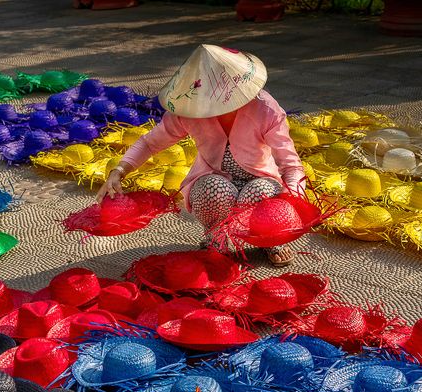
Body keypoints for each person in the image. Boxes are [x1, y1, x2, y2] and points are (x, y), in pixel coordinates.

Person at [96, 44, 306, 267]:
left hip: (259, 178)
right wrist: (119, 170)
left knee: (262, 192)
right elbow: (150, 143)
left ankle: (270, 239)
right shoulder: (190, 110)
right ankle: (216, 236)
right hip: (213, 179)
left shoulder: (265, 109)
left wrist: (294, 199)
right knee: (212, 189)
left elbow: (290, 164)